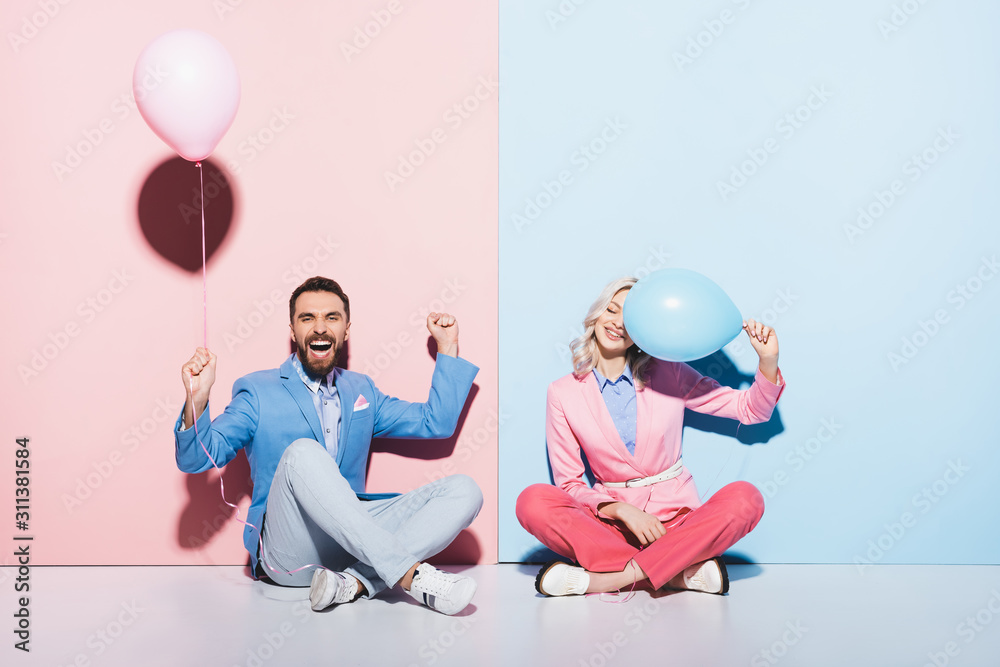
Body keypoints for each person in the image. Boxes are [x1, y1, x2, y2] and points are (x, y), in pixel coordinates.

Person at [174, 276, 483, 615]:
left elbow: (434, 423)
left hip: (353, 548)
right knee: (303, 453)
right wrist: (197, 400)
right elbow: (197, 459)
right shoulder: (257, 391)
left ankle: (354, 583)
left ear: (346, 329)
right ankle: (411, 576)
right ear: (293, 330)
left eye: (331, 318)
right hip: (289, 549)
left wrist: (448, 347)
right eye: (307, 318)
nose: (320, 327)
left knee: (465, 491)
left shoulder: (361, 389)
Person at [516, 276, 785, 597]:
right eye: (611, 310)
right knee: (532, 500)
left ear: (645, 329)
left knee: (746, 498)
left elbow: (750, 410)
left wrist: (768, 361)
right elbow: (570, 484)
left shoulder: (669, 372)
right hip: (611, 529)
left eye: (630, 319)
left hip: (677, 527)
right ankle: (676, 573)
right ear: (596, 315)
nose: (617, 323)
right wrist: (620, 511)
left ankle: (610, 578)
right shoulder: (562, 393)